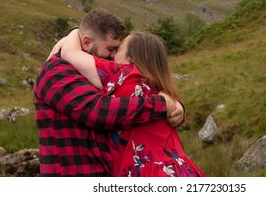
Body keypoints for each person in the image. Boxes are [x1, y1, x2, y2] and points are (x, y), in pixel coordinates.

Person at [34, 9, 184, 176]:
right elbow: (98, 111)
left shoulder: (107, 74)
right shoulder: (56, 70)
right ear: (86, 42)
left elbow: (144, 90)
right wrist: (162, 105)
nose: (113, 57)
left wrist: (178, 108)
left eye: (117, 50)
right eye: (110, 49)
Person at [59, 28, 205, 177]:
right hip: (182, 171)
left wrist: (76, 31)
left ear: (131, 58)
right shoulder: (160, 87)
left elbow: (68, 53)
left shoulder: (123, 73)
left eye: (119, 49)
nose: (113, 54)